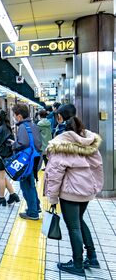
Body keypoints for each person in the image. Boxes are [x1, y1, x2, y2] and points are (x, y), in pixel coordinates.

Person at [45, 116, 103, 277]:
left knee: (74, 227)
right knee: (80, 221)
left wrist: (52, 197)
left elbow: (55, 174)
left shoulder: (61, 144)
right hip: (86, 191)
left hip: (70, 192)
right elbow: (97, 166)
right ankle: (92, 257)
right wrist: (95, 186)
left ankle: (77, 264)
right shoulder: (89, 141)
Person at [11, 104, 42, 220]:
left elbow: (22, 143)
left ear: (19, 116)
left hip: (26, 162)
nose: (14, 117)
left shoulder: (23, 127)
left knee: (26, 186)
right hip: (35, 159)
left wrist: (13, 144)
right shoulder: (33, 125)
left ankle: (33, 212)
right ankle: (36, 206)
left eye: (14, 115)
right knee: (31, 185)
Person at [0, 110, 19, 206]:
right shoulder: (6, 127)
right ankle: (13, 194)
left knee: (0, 177)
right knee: (3, 176)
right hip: (5, 154)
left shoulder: (0, 128)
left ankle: (1, 198)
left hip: (1, 155)